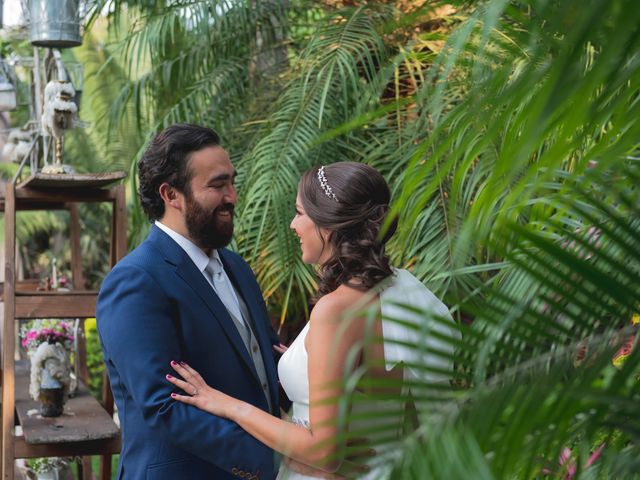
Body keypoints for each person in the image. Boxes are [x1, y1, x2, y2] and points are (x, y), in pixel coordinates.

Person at [166, 162, 459, 479]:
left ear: (329, 226)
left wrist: (227, 405)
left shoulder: (335, 311)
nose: (293, 225)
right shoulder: (401, 289)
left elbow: (323, 452)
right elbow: (412, 414)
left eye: (300, 213)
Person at [97, 124, 285, 480]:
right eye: (217, 185)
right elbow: (164, 406)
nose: (232, 195)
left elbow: (264, 367)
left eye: (232, 181)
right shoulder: (135, 280)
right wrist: (270, 461)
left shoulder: (238, 268)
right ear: (171, 194)